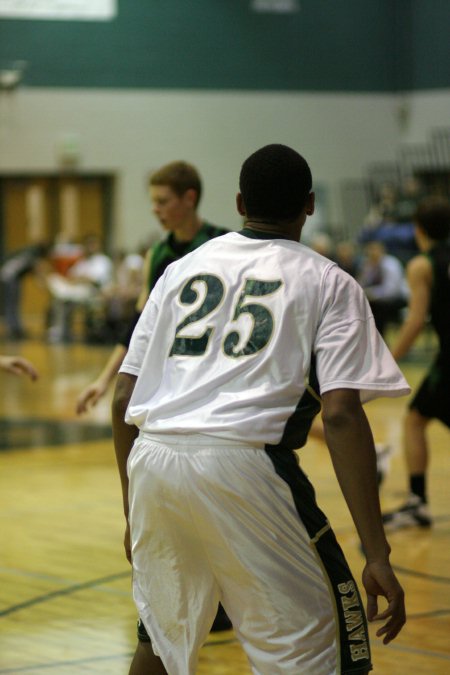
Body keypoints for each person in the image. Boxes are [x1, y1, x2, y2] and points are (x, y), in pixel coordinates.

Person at [112, 144, 409, 675]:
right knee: (317, 653)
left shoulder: (181, 270)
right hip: (247, 468)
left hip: (154, 462)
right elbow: (339, 414)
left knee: (158, 637)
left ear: (240, 201)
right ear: (310, 205)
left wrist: (131, 509)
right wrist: (378, 551)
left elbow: (121, 398)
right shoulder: (328, 281)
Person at [76, 161, 231, 671]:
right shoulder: (160, 254)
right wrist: (104, 378)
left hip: (214, 394)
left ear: (189, 198)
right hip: (171, 397)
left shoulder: (221, 245)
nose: (156, 209)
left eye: (163, 200)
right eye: (153, 201)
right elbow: (140, 333)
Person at [382, 196, 450, 530]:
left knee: (414, 421)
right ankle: (416, 503)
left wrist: (388, 358)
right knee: (417, 418)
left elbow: (415, 320)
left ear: (417, 229)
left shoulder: (422, 265)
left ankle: (417, 503)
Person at [46, 233, 113, 343]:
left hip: (95, 293)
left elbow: (94, 280)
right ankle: (61, 331)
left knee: (62, 299)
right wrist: (79, 279)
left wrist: (81, 279)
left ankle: (59, 329)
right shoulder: (83, 261)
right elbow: (72, 277)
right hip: (78, 291)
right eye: (88, 244)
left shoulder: (102, 260)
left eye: (93, 244)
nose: (90, 247)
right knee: (58, 289)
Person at [0, 241, 51, 340]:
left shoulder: (27, 252)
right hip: (9, 278)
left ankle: (16, 328)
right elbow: (37, 271)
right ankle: (14, 329)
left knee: (14, 303)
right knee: (11, 304)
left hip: (12, 277)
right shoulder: (32, 255)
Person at [357, 241, 409, 337]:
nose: (372, 253)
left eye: (375, 250)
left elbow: (391, 290)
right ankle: (368, 339)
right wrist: (368, 269)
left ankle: (380, 338)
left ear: (382, 251)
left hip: (399, 298)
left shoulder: (391, 264)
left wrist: (371, 293)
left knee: (377, 307)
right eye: (370, 252)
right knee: (362, 305)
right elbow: (361, 284)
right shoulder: (369, 265)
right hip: (380, 299)